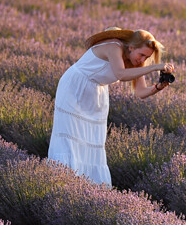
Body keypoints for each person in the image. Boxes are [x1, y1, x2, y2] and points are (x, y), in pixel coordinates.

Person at [48, 27, 175, 187]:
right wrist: (154, 67)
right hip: (75, 87)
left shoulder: (136, 61)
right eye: (142, 55)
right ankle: (62, 183)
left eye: (147, 57)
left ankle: (86, 189)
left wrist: (158, 87)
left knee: (92, 141)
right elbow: (121, 74)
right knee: (69, 138)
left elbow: (141, 92)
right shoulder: (113, 47)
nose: (143, 60)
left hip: (96, 93)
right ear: (131, 47)